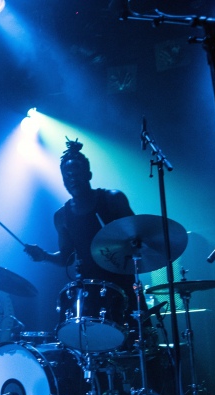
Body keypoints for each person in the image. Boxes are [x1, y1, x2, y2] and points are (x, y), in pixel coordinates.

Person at [23, 138, 140, 348]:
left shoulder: (112, 199)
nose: (72, 179)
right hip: (89, 292)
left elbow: (139, 238)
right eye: (67, 176)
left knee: (132, 347)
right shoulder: (62, 216)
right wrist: (44, 256)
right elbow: (65, 258)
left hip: (122, 287)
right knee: (94, 353)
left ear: (89, 174)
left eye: (76, 174)